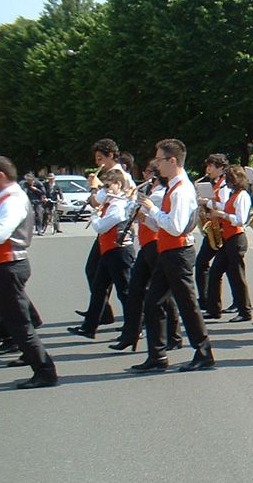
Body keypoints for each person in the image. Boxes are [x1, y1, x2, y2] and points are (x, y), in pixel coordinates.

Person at [134, 138, 216, 372]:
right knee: (153, 301)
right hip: (169, 251)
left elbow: (176, 226)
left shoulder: (180, 190)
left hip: (177, 253)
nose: (156, 164)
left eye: (160, 159)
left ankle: (204, 352)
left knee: (187, 304)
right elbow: (168, 224)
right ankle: (157, 356)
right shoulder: (175, 187)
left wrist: (152, 210)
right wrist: (148, 218)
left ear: (172, 160)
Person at [0, 156, 58, 388]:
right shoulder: (2, 198)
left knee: (19, 325)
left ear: (0, 176)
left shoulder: (12, 201)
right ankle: (43, 370)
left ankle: (45, 371)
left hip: (7, 267)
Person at [110, 161, 180, 353]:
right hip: (146, 245)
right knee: (135, 290)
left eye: (149, 172)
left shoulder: (158, 195)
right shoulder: (151, 194)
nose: (145, 175)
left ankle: (173, 336)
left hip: (155, 245)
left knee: (163, 295)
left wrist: (139, 209)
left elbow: (158, 222)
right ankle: (130, 335)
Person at [67, 169, 136, 339]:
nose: (105, 190)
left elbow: (101, 227)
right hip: (108, 251)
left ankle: (134, 327)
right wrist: (95, 191)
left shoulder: (118, 205)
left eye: (108, 186)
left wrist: (95, 216)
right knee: (99, 288)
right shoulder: (110, 202)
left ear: (119, 185)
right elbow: (97, 201)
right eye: (103, 187)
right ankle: (89, 328)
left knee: (125, 291)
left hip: (119, 252)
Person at [78, 139, 133, 326]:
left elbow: (98, 202)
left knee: (118, 281)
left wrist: (94, 186)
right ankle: (101, 313)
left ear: (110, 155)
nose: (98, 163)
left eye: (100, 158)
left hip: (114, 231)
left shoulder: (118, 176)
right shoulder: (112, 174)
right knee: (97, 273)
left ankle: (131, 320)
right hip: (107, 229)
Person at [204, 164, 252, 322]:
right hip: (228, 238)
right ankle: (213, 309)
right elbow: (223, 206)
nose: (228, 182)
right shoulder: (233, 194)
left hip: (237, 238)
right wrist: (210, 205)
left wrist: (222, 215)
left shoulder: (243, 195)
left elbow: (240, 220)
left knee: (237, 276)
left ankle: (245, 311)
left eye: (231, 179)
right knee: (215, 272)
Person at [194, 153, 230, 309]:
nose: (207, 169)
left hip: (222, 229)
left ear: (220, 168)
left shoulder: (225, 185)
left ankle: (211, 301)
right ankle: (206, 298)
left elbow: (224, 206)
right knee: (204, 264)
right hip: (213, 229)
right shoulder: (213, 184)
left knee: (228, 269)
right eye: (207, 166)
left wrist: (206, 201)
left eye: (211, 166)